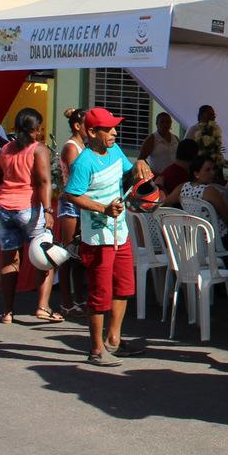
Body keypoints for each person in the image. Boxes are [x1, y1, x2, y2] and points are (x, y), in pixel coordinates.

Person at [61, 107, 154, 367]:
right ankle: (96, 348)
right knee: (100, 293)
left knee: (124, 287)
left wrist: (139, 165)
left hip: (120, 233)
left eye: (115, 128)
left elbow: (127, 173)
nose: (114, 132)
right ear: (92, 132)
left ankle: (114, 340)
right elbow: (72, 194)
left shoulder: (114, 150)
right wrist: (103, 208)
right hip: (98, 238)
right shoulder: (83, 162)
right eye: (108, 129)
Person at [0, 108, 58, 324]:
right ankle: (43, 307)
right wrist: (48, 211)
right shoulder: (39, 150)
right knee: (45, 258)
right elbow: (44, 181)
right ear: (35, 130)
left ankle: (7, 312)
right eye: (39, 129)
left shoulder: (5, 150)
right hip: (29, 209)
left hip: (3, 209)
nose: (40, 133)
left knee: (9, 261)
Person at [55, 107, 88, 316]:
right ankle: (66, 301)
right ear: (77, 126)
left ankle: (79, 299)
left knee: (79, 257)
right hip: (70, 204)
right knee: (67, 253)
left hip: (82, 204)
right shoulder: (71, 147)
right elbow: (78, 177)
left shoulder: (84, 145)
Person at [138, 112, 180, 177]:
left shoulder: (176, 138)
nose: (165, 124)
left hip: (173, 176)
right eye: (162, 122)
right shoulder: (151, 139)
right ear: (157, 124)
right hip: (157, 178)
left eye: (168, 122)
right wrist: (151, 172)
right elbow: (141, 160)